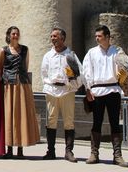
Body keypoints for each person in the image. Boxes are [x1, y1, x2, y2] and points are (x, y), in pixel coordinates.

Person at [83, 25, 128, 167]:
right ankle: (94, 154)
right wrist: (88, 89)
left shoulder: (117, 52)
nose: (97, 38)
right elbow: (86, 71)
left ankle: (117, 156)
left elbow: (124, 69)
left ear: (108, 37)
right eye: (96, 36)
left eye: (100, 36)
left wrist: (123, 75)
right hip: (97, 91)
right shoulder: (92, 53)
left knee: (115, 123)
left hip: (113, 90)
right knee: (96, 122)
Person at [40, 28, 83, 162]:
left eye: (55, 36)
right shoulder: (47, 56)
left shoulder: (70, 55)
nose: (52, 38)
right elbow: (44, 73)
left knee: (69, 121)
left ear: (62, 38)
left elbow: (80, 73)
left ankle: (68, 152)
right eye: (51, 36)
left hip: (67, 90)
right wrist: (49, 84)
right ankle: (51, 151)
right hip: (52, 91)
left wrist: (72, 82)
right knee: (51, 120)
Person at [0, 26, 40, 159]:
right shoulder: (3, 51)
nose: (15, 36)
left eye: (17, 34)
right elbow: (0, 70)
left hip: (23, 86)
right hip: (8, 86)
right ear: (9, 35)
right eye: (13, 34)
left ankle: (20, 149)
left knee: (22, 115)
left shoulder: (25, 50)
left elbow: (25, 67)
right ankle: (9, 149)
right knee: (9, 116)